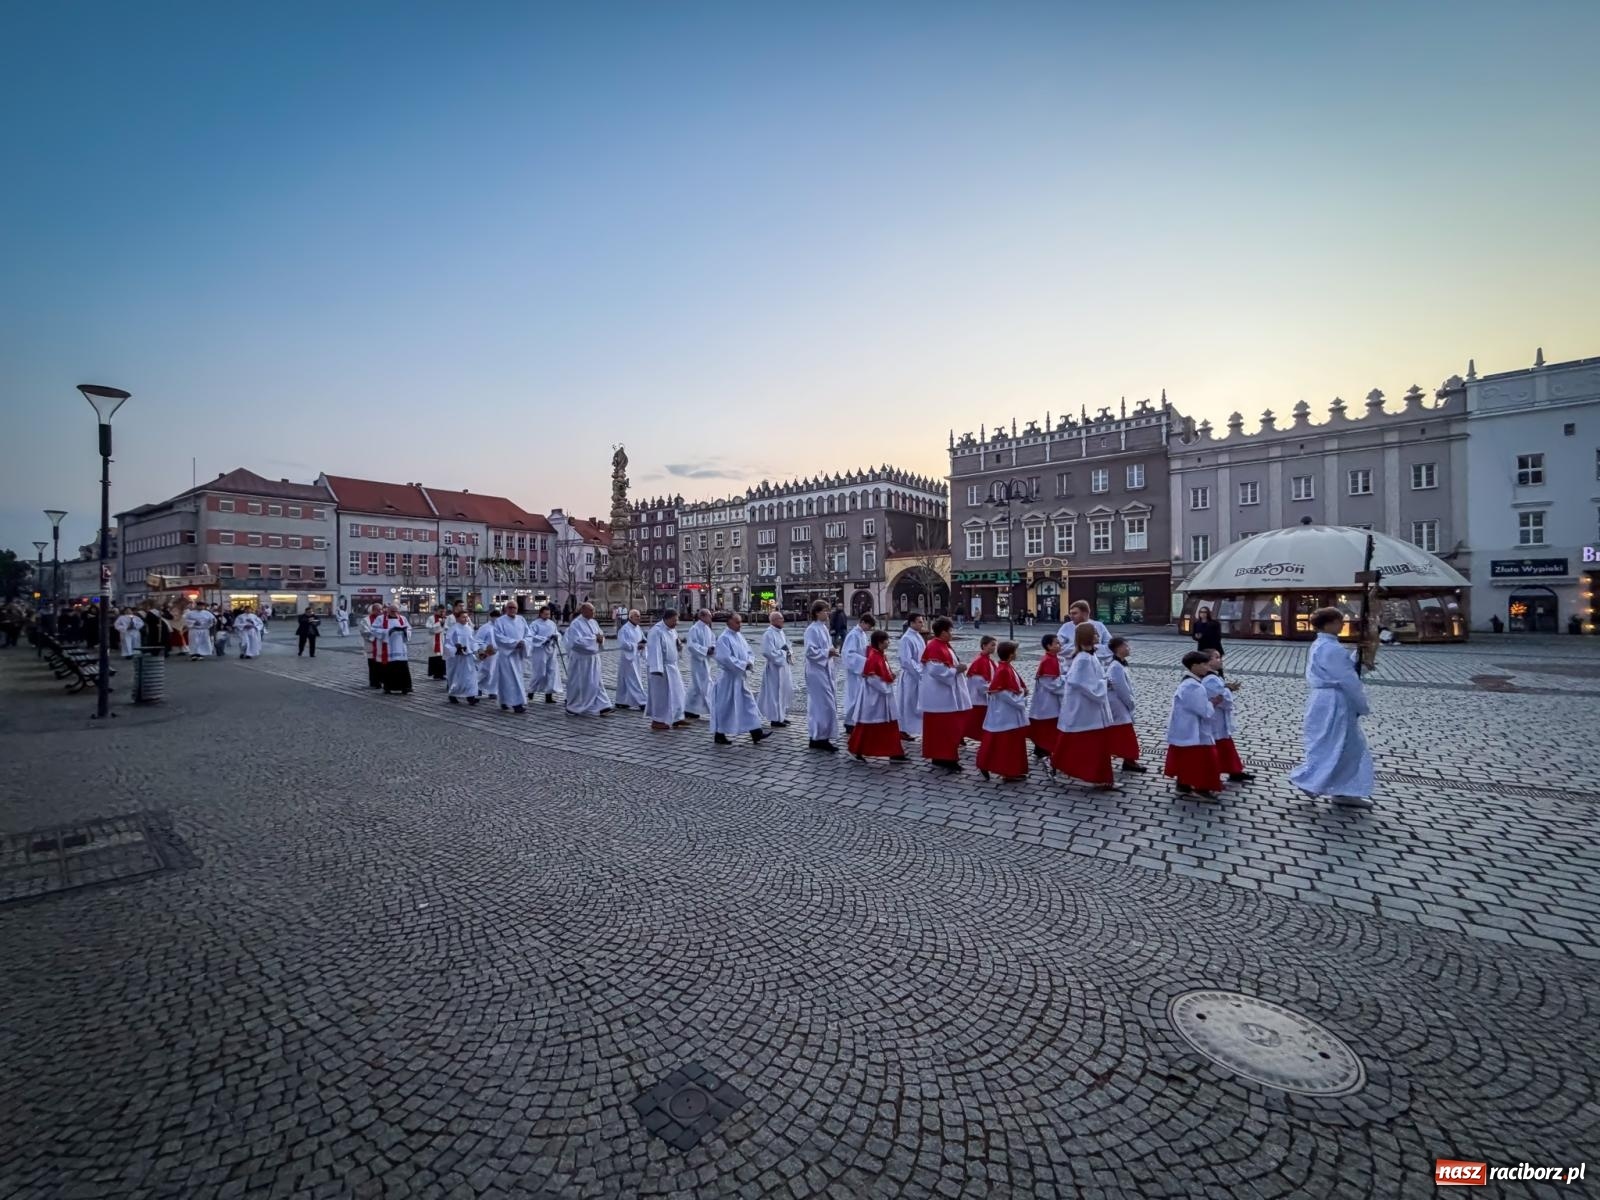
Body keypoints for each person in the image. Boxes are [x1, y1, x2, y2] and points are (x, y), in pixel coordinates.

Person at [1289, 607, 1375, 809]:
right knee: (1342, 746)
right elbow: (1347, 678)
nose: (1342, 625)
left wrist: (1359, 656)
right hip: (1334, 701)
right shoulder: (1330, 648)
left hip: (1324, 698)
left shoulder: (1323, 645)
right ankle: (1320, 783)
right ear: (1328, 624)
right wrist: (1361, 705)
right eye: (1339, 621)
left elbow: (1342, 669)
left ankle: (1341, 788)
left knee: (1338, 745)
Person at [1051, 622, 1116, 789]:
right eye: (1094, 633)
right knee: (1090, 745)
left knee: (1095, 745)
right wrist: (1103, 685)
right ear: (1087, 637)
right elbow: (1078, 682)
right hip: (1085, 709)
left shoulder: (1090, 655)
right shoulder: (1083, 659)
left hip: (1091, 708)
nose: (1098, 635)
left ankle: (1102, 777)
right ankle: (1098, 777)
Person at [1164, 650, 1223, 801]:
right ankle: (1200, 788)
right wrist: (1213, 703)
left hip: (1189, 729)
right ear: (1194, 666)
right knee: (1200, 761)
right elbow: (1203, 710)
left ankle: (1183, 785)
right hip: (1193, 730)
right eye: (1203, 664)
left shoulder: (1192, 683)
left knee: (1188, 760)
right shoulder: (1193, 686)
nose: (1206, 667)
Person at [846, 629, 907, 762]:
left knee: (890, 724)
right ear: (880, 643)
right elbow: (872, 678)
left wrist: (889, 677)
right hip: (874, 697)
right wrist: (886, 686)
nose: (889, 642)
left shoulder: (879, 654)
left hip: (882, 696)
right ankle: (856, 749)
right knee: (867, 725)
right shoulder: (874, 657)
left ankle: (895, 752)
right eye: (887, 640)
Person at [918, 615, 969, 773]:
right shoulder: (935, 647)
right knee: (946, 730)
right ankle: (946, 758)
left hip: (944, 695)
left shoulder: (943, 645)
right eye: (950, 630)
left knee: (944, 729)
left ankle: (941, 757)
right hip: (940, 697)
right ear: (943, 632)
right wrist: (956, 669)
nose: (952, 633)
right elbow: (936, 670)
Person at [709, 613, 767, 745]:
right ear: (729, 623)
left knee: (749, 704)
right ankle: (719, 733)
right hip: (728, 679)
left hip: (740, 677)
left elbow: (749, 652)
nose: (740, 625)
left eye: (740, 622)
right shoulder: (724, 638)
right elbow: (725, 658)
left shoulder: (739, 636)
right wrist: (742, 664)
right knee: (725, 706)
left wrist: (749, 662)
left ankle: (756, 732)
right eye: (737, 622)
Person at [977, 641, 1028, 782]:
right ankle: (1006, 771)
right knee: (1005, 743)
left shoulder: (1006, 667)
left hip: (1008, 712)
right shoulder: (1004, 670)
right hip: (1005, 712)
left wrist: (1022, 691)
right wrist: (1020, 700)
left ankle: (1010, 770)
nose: (1016, 654)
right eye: (1015, 652)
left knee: (1005, 741)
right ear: (1011, 654)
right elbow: (1002, 693)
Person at [1204, 649, 1254, 784]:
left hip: (1219, 719)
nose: (1220, 660)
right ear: (1208, 662)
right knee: (1217, 745)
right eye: (1217, 657)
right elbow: (1223, 699)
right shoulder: (1210, 680)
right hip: (1215, 718)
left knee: (1225, 745)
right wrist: (1227, 690)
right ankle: (1219, 772)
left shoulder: (1214, 677)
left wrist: (1226, 688)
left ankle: (1234, 770)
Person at [562, 602, 615, 716]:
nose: (594, 613)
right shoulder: (576, 624)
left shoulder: (594, 622)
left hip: (593, 658)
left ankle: (603, 705)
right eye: (591, 610)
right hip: (581, 659)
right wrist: (594, 639)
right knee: (581, 683)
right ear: (583, 611)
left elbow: (600, 635)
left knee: (596, 681)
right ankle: (575, 705)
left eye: (594, 610)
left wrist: (601, 639)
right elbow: (576, 642)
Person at [804, 600, 840, 751]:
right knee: (823, 704)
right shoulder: (812, 630)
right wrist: (827, 652)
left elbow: (826, 647)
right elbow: (810, 652)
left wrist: (832, 651)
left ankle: (819, 736)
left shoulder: (824, 628)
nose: (828, 613)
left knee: (824, 704)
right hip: (816, 671)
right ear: (817, 612)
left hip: (825, 668)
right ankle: (819, 737)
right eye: (825, 610)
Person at [1105, 636, 1145, 773]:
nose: (1129, 648)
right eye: (1126, 646)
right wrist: (1130, 703)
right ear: (1118, 649)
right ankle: (1129, 760)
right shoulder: (1116, 667)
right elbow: (1121, 688)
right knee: (1125, 734)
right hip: (1118, 704)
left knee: (1123, 734)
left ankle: (1129, 760)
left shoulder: (1120, 664)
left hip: (1120, 704)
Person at [645, 609, 688, 730]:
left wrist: (679, 647)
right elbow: (655, 650)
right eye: (675, 620)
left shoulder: (672, 630)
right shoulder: (656, 631)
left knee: (678, 693)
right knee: (661, 695)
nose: (676, 622)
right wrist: (657, 668)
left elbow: (675, 644)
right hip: (660, 668)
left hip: (672, 666)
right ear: (667, 619)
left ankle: (677, 717)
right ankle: (658, 720)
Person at [487, 601, 530, 713]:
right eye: (510, 607)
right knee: (510, 680)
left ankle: (504, 700)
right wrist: (515, 643)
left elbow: (528, 634)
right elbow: (499, 637)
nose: (512, 610)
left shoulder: (521, 620)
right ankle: (516, 703)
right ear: (505, 609)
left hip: (518, 655)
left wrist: (524, 642)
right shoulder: (500, 621)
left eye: (514, 608)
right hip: (507, 655)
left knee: (516, 679)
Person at [1028, 634, 1065, 760]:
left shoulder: (1054, 658)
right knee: (1046, 724)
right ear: (1049, 646)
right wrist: (1066, 684)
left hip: (1050, 698)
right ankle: (1042, 747)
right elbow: (1050, 684)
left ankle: (1042, 748)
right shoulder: (1048, 660)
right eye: (1057, 643)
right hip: (1047, 699)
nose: (1059, 645)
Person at [757, 612, 794, 729]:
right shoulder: (768, 634)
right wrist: (783, 653)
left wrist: (788, 651)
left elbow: (786, 646)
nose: (783, 620)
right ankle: (775, 718)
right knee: (775, 693)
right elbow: (767, 652)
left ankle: (781, 716)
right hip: (774, 668)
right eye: (780, 619)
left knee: (783, 691)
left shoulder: (781, 632)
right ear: (773, 620)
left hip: (783, 667)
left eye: (782, 618)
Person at [840, 613, 875, 734]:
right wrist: (865, 662)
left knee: (859, 697)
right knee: (853, 697)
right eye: (868, 626)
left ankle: (857, 720)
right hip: (855, 671)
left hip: (860, 671)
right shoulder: (853, 635)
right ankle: (849, 722)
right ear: (863, 622)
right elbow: (849, 654)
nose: (869, 629)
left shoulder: (862, 634)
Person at [896, 614, 927, 742]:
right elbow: (906, 660)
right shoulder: (907, 639)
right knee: (907, 702)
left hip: (919, 673)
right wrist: (919, 672)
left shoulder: (918, 636)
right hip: (910, 675)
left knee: (915, 702)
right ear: (911, 623)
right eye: (919, 622)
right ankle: (902, 729)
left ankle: (910, 728)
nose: (922, 624)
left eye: (922, 622)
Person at [443, 604, 480, 705]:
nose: (466, 619)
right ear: (458, 618)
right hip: (457, 658)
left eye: (467, 617)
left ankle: (471, 696)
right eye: (463, 617)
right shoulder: (453, 629)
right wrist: (456, 648)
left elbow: (472, 641)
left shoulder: (468, 628)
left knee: (470, 677)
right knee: (457, 677)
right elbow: (448, 643)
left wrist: (476, 650)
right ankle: (453, 695)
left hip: (468, 657)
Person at [1056, 600, 1112, 666]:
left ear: (1085, 613)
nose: (1071, 616)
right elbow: (1057, 648)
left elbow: (1110, 647)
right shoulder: (1066, 627)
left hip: (1095, 665)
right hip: (1071, 666)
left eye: (1074, 613)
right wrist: (1082, 647)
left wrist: (1092, 649)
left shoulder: (1099, 626)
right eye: (1070, 613)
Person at [525, 604, 562, 704]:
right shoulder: (535, 624)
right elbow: (531, 636)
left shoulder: (552, 623)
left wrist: (556, 637)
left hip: (551, 649)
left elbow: (557, 633)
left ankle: (549, 695)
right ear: (540, 614)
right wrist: (544, 639)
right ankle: (531, 691)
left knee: (551, 672)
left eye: (548, 614)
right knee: (540, 672)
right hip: (540, 650)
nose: (547, 616)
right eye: (545, 614)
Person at [614, 610, 650, 710]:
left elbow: (643, 639)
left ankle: (622, 700)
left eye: (639, 616)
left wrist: (643, 645)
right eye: (636, 616)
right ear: (630, 617)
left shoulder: (638, 628)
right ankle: (642, 701)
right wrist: (636, 646)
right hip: (628, 658)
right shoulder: (624, 629)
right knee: (634, 680)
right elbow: (622, 643)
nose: (639, 618)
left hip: (636, 657)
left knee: (626, 681)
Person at [683, 609, 716, 721]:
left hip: (706, 660)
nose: (711, 618)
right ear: (702, 616)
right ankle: (689, 708)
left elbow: (713, 641)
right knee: (698, 683)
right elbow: (691, 645)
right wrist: (705, 650)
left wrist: (712, 648)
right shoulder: (694, 629)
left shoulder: (707, 629)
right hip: (698, 660)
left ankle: (691, 708)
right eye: (709, 616)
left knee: (702, 683)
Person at [964, 635, 997, 744]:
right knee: (975, 721)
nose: (994, 648)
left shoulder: (989, 660)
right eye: (992, 645)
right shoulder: (979, 662)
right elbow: (979, 683)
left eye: (995, 645)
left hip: (984, 697)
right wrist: (991, 689)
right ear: (984, 646)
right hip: (978, 698)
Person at [373, 604, 413, 695]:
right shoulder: (380, 619)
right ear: (388, 611)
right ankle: (389, 687)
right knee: (389, 668)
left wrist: (405, 631)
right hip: (388, 647)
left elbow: (409, 628)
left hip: (400, 647)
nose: (394, 613)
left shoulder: (402, 618)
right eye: (392, 611)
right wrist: (388, 631)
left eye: (396, 611)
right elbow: (374, 629)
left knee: (402, 667)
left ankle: (405, 687)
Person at [360, 604, 383, 687]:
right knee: (373, 665)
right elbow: (365, 632)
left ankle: (381, 680)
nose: (380, 612)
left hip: (381, 645)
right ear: (373, 610)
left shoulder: (383, 619)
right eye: (378, 610)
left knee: (381, 664)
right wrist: (378, 635)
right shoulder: (366, 620)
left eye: (381, 610)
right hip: (372, 645)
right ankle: (374, 682)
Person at [424, 606, 447, 679]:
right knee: (435, 657)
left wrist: (443, 624)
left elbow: (447, 628)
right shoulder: (431, 618)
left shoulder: (445, 618)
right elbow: (429, 627)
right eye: (441, 611)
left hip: (441, 638)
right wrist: (439, 623)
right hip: (433, 639)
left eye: (443, 611)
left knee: (442, 657)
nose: (442, 613)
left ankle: (441, 674)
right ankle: (435, 674)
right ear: (436, 611)